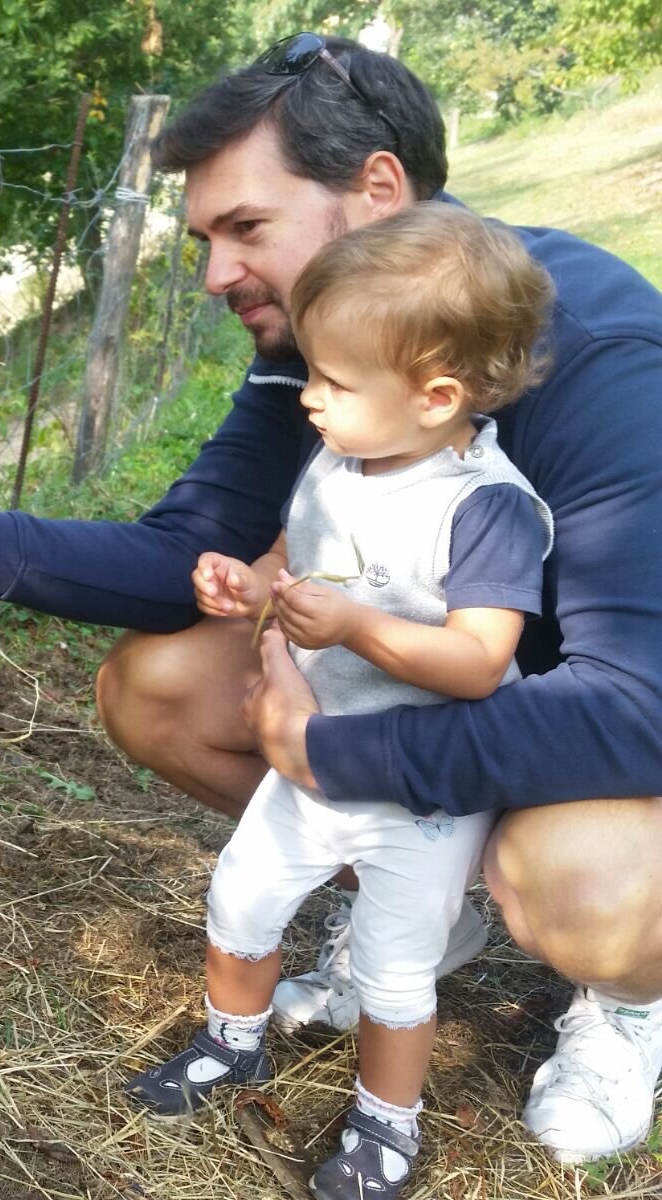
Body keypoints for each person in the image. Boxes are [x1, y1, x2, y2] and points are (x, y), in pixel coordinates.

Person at [0, 33, 662, 1163]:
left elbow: (636, 709)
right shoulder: (330, 348)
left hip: (596, 731)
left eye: (245, 228)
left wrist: (344, 762)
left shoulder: (599, 357)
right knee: (163, 688)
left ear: (375, 191)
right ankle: (430, 911)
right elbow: (184, 548)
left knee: (577, 882)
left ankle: (626, 1001)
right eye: (204, 239)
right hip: (429, 703)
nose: (215, 273)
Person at [119, 202, 553, 1200]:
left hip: (420, 780)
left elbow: (479, 661)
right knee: (240, 897)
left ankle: (383, 1127)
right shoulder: (345, 455)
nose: (308, 398)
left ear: (437, 394)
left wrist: (354, 630)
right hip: (313, 756)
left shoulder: (480, 507)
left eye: (332, 380)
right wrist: (252, 582)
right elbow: (296, 552)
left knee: (397, 970)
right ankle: (233, 1043)